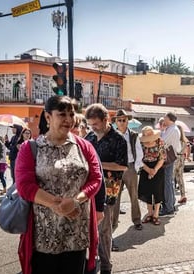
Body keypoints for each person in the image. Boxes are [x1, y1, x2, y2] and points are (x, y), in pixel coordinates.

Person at [15, 95, 103, 274]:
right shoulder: (30, 148)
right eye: (62, 114)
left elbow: (96, 178)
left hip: (77, 232)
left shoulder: (84, 147)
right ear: (48, 117)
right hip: (44, 235)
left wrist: (75, 201)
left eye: (71, 115)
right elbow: (25, 186)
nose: (69, 120)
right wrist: (58, 204)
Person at [85, 103, 128, 274]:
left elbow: (123, 166)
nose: (93, 127)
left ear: (106, 120)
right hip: (88, 190)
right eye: (90, 124)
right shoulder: (89, 137)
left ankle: (105, 266)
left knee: (104, 231)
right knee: (88, 229)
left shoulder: (118, 139)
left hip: (109, 190)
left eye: (95, 124)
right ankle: (91, 261)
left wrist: (97, 166)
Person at [112, 109, 144, 231]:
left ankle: (137, 220)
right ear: (116, 121)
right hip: (116, 169)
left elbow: (139, 152)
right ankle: (113, 223)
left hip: (130, 167)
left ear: (127, 121)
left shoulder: (134, 135)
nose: (121, 122)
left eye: (124, 120)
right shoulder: (112, 135)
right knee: (115, 197)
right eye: (119, 120)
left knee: (134, 195)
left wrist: (135, 168)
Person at [138, 126, 166, 226]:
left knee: (157, 191)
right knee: (147, 191)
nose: (149, 141)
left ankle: (156, 214)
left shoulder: (159, 141)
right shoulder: (140, 143)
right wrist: (148, 170)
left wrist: (154, 170)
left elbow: (162, 158)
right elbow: (139, 159)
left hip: (157, 167)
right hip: (145, 168)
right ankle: (149, 213)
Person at [160, 112, 181, 216]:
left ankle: (168, 208)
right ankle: (171, 205)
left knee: (167, 183)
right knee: (170, 182)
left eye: (165, 117)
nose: (164, 119)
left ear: (169, 119)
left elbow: (162, 141)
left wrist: (162, 131)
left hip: (168, 157)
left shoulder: (172, 129)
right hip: (171, 157)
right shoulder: (173, 129)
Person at [174, 125, 189, 204]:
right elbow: (187, 149)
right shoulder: (184, 141)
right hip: (182, 158)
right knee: (180, 177)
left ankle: (171, 197)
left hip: (176, 158)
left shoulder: (176, 140)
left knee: (171, 178)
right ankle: (183, 195)